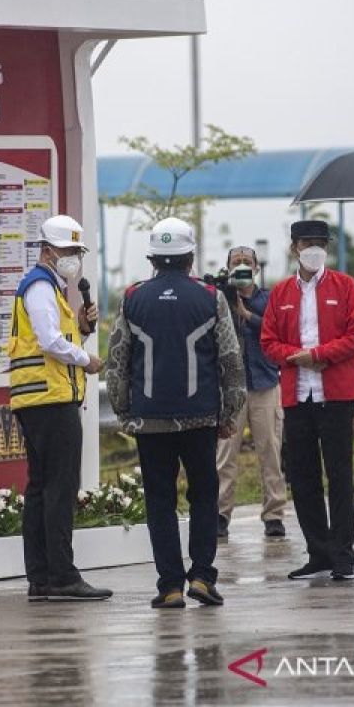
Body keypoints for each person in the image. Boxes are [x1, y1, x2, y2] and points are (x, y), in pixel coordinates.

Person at [106, 217, 245, 609]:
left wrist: (123, 412)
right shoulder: (210, 297)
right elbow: (231, 362)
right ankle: (201, 576)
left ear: (153, 257)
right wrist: (230, 413)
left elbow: (117, 361)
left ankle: (169, 585)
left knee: (160, 501)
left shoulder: (133, 297)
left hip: (149, 419)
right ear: (189, 257)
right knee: (204, 495)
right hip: (200, 417)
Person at [9, 214, 111, 602]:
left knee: (41, 489)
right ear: (48, 251)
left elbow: (56, 338)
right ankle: (62, 576)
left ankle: (42, 578)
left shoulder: (49, 289)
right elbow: (50, 341)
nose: (74, 259)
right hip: (50, 400)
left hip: (40, 399)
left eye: (77, 252)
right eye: (68, 251)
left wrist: (83, 330)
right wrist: (87, 360)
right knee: (59, 488)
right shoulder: (39, 287)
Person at [261, 219, 354, 581]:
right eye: (307, 243)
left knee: (339, 477)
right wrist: (296, 357)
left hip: (335, 395)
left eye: (320, 243)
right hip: (297, 396)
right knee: (304, 479)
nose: (314, 249)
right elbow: (268, 340)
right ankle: (317, 552)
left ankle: (343, 555)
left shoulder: (345, 285)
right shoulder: (280, 293)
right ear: (294, 248)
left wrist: (321, 353)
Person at [215, 246, 288, 539]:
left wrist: (247, 314)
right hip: (230, 389)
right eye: (236, 262)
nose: (242, 266)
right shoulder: (218, 299)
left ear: (257, 268)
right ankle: (220, 514)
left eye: (247, 262)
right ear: (228, 268)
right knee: (224, 455)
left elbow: (280, 331)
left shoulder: (270, 299)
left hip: (265, 383)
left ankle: (274, 515)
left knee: (270, 451)